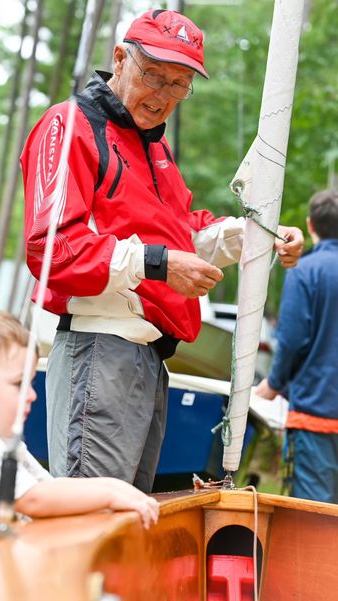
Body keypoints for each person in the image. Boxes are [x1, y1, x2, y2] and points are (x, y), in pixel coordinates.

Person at [21, 9, 304, 492]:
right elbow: (51, 247)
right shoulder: (71, 124)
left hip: (149, 358)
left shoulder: (156, 149)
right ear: (119, 59)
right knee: (97, 517)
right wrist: (158, 264)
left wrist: (262, 234)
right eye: (154, 75)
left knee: (131, 518)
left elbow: (182, 234)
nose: (164, 96)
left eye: (179, 85)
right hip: (100, 347)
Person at [0, 302, 159, 543]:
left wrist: (117, 487)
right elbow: (33, 499)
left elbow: (49, 486)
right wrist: (109, 495)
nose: (31, 395)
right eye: (18, 384)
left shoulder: (0, 440)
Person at [256, 189, 338, 503]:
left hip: (315, 419)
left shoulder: (304, 271)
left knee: (313, 521)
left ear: (310, 225)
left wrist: (273, 384)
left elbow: (291, 340)